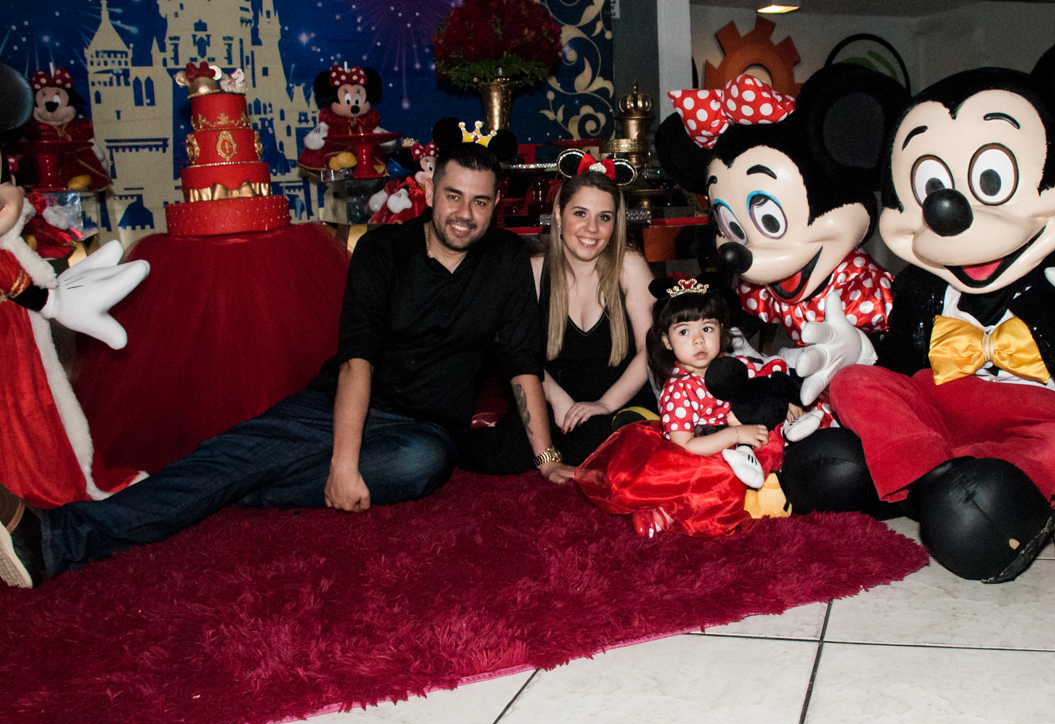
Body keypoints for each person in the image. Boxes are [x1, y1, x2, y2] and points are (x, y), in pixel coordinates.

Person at [1, 142, 567, 588]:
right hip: (335, 405)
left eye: (480, 202)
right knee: (230, 455)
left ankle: (229, 487)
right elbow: (357, 361)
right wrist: (343, 466)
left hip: (419, 433)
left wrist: (545, 459)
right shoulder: (382, 251)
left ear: (496, 204)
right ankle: (56, 539)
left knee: (424, 465)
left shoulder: (507, 259)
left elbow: (521, 364)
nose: (464, 214)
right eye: (453, 196)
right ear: (429, 188)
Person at [464, 169, 656, 476]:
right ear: (557, 213)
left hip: (618, 401)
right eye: (580, 213)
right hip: (552, 399)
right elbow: (518, 356)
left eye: (604, 217)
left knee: (613, 445)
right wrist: (558, 401)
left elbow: (650, 351)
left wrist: (604, 404)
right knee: (499, 454)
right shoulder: (534, 272)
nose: (591, 228)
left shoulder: (629, 266)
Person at [575, 276, 785, 538]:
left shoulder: (732, 366)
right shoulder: (678, 390)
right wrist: (735, 435)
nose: (698, 340)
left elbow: (759, 389)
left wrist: (782, 405)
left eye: (707, 329)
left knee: (774, 435)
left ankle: (768, 485)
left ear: (722, 329)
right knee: (718, 476)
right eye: (684, 332)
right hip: (693, 452)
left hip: (735, 441)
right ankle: (665, 511)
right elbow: (685, 445)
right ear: (666, 341)